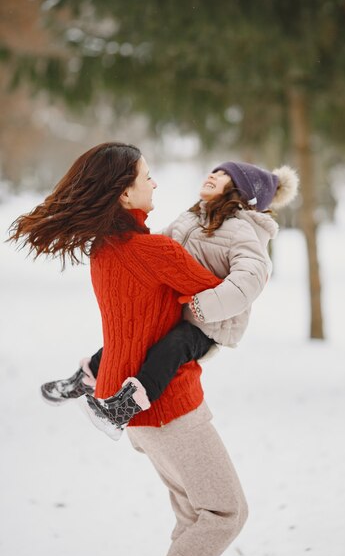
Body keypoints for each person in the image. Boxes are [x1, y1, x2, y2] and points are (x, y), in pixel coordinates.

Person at [9, 142, 298, 556]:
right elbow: (212, 291)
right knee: (224, 513)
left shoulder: (106, 248)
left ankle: (88, 374)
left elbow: (140, 319)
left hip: (139, 410)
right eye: (147, 176)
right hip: (170, 408)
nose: (156, 182)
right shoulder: (155, 251)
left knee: (191, 518)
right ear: (125, 194)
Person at [40, 157, 298, 441]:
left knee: (171, 348)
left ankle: (122, 409)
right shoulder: (191, 218)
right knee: (133, 334)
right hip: (182, 309)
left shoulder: (242, 230)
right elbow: (161, 247)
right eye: (214, 170)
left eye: (225, 175)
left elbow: (250, 278)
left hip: (207, 325)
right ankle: (84, 378)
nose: (213, 175)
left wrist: (205, 304)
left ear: (241, 191)